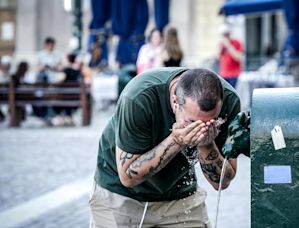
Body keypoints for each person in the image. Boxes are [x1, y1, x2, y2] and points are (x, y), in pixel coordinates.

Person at [90, 67, 241, 227]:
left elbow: (221, 183)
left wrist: (206, 144)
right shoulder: (139, 97)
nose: (200, 129)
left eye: (209, 123)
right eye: (191, 123)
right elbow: (127, 176)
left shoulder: (229, 102)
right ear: (175, 102)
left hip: (178, 196)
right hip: (121, 196)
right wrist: (176, 141)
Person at [51, 53, 82, 126]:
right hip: (76, 97)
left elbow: (58, 80)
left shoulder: (66, 70)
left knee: (56, 97)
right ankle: (68, 117)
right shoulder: (78, 71)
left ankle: (61, 117)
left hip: (64, 97)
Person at [218, 24, 244, 88]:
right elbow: (217, 57)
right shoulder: (221, 44)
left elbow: (238, 58)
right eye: (223, 35)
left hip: (233, 74)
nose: (225, 36)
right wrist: (220, 48)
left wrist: (228, 45)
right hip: (223, 74)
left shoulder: (237, 42)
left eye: (226, 34)